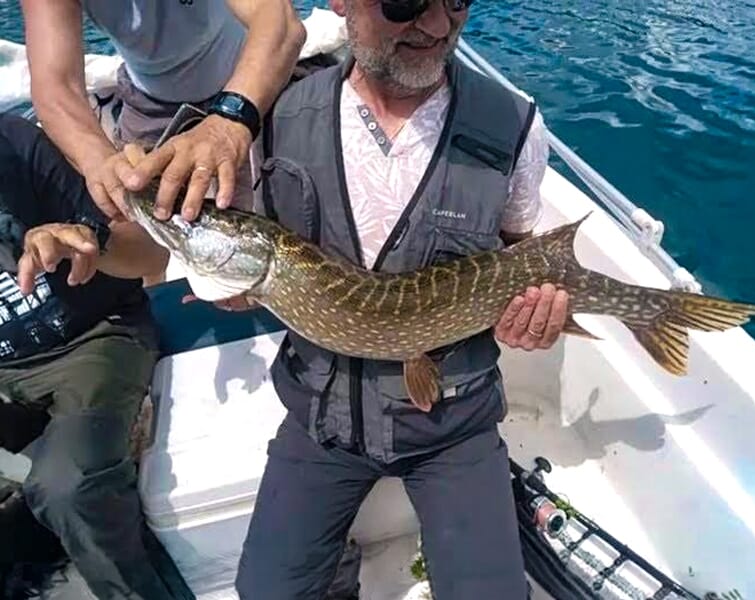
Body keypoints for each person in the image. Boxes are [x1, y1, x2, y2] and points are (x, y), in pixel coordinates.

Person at [232, 0, 569, 598]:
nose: (439, 26)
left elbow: (523, 256)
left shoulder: (514, 125)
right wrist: (227, 291)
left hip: (453, 425)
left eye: (458, 1)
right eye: (405, 3)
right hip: (320, 421)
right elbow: (245, 257)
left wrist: (537, 317)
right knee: (266, 591)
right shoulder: (276, 114)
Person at [0, 112, 191, 600]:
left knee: (68, 486)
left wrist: (87, 243)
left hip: (95, 338)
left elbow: (151, 254)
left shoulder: (16, 144)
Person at [21, 0, 306, 228]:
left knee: (299, 210)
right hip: (148, 104)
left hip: (247, 81)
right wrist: (98, 160)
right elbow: (56, 86)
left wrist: (229, 121)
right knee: (138, 230)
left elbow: (277, 21)